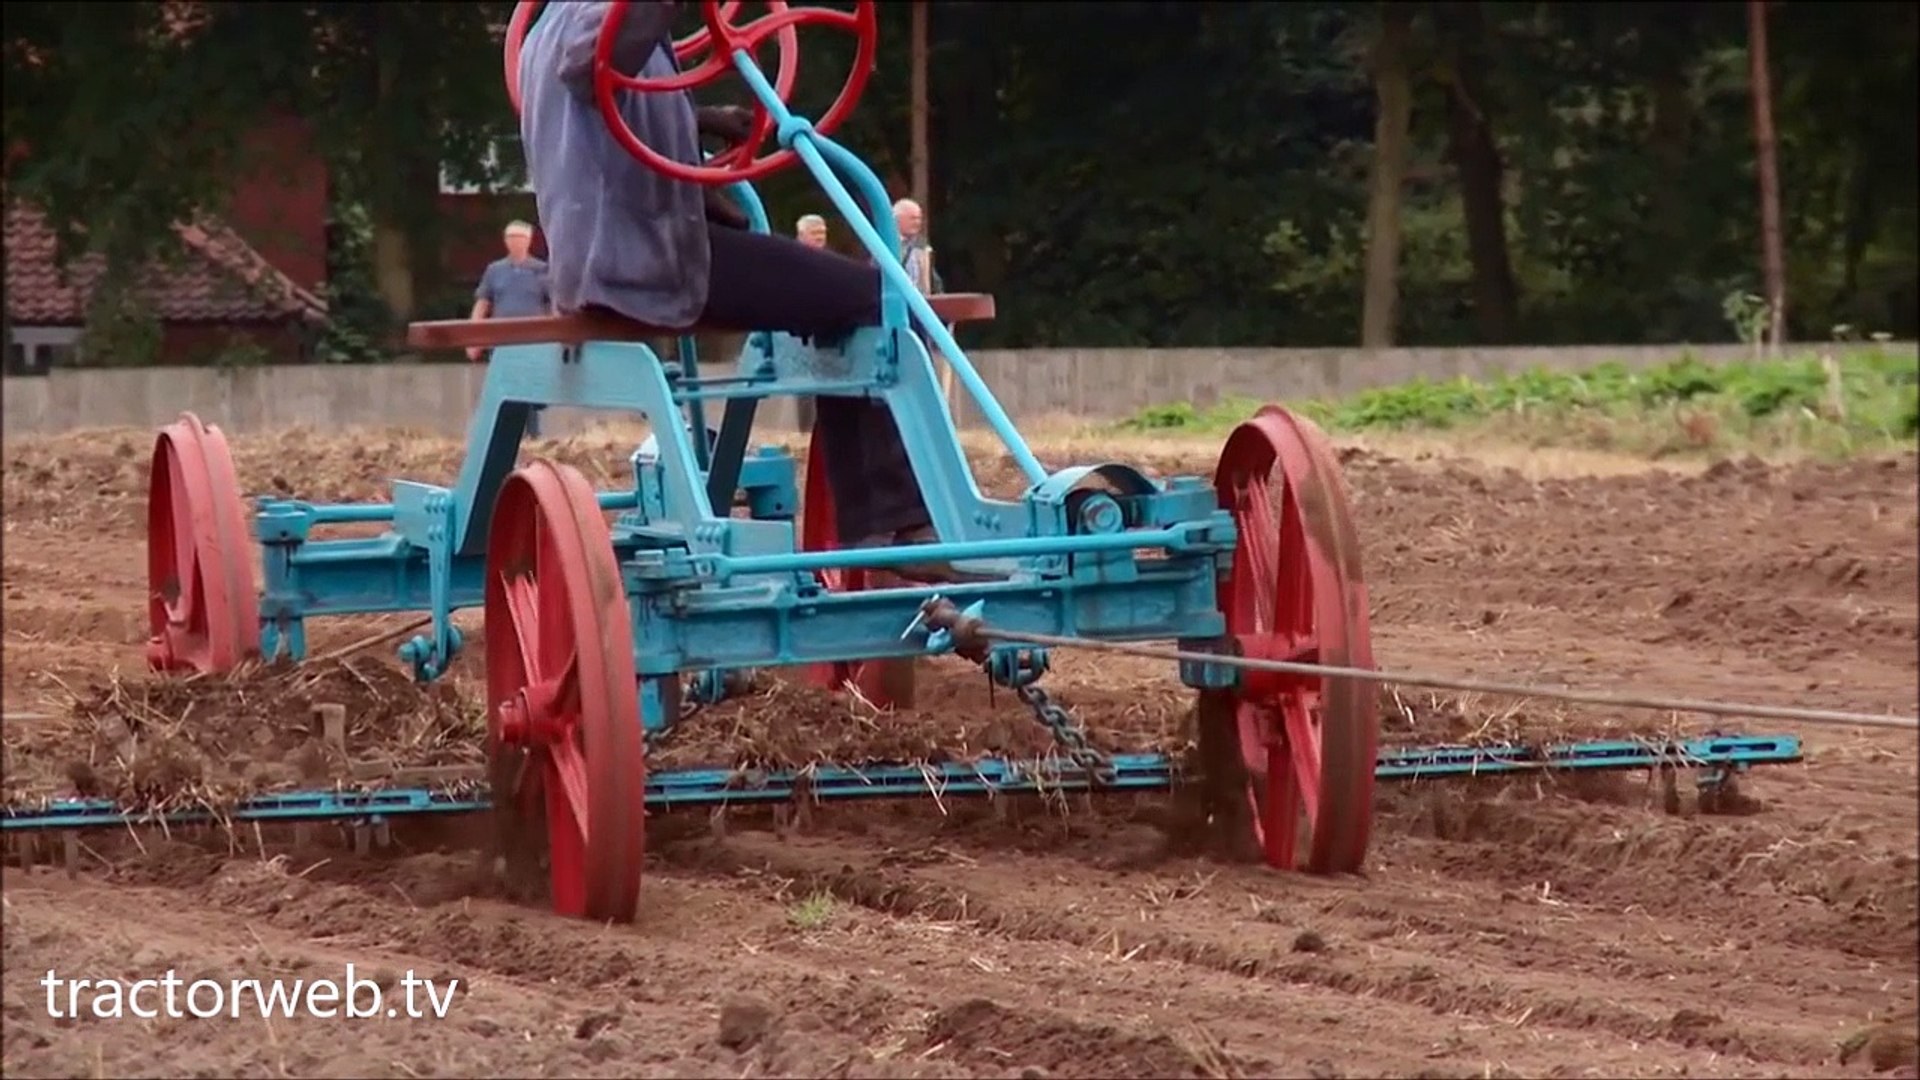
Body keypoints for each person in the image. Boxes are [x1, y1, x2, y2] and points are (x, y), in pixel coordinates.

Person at [519, 1, 960, 579]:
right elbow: (593, 61)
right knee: (880, 299)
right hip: (651, 259)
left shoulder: (544, 28)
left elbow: (609, 103)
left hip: (618, 255)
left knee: (839, 298)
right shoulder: (599, 20)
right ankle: (899, 520)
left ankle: (882, 519)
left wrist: (701, 119)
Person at [469, 220, 555, 435]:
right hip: (502, 341)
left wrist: (556, 338)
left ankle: (534, 435)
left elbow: (554, 306)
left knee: (531, 390)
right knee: (504, 387)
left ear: (528, 241)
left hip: (533, 340)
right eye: (511, 238)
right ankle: (503, 435)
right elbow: (482, 304)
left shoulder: (542, 270)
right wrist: (473, 338)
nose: (515, 243)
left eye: (520, 238)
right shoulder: (495, 270)